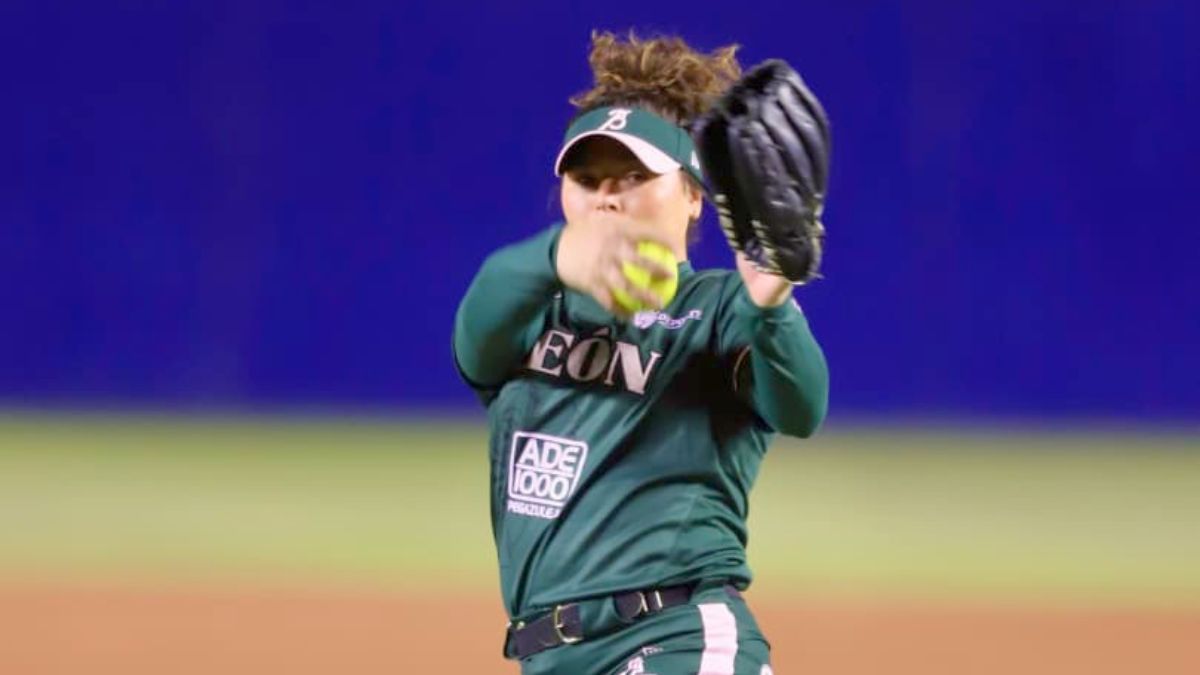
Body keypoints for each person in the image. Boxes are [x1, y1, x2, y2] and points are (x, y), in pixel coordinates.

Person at [453, 30, 829, 675]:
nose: (608, 194)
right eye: (588, 177)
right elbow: (479, 322)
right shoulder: (531, 309)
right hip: (549, 657)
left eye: (635, 175)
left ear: (691, 196)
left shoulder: (716, 309)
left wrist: (771, 306)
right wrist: (562, 257)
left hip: (673, 640)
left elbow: (802, 408)